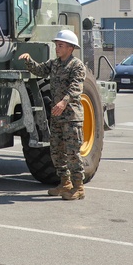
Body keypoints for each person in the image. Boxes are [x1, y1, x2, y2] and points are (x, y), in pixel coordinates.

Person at [18, 29, 87, 200]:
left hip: (71, 117)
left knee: (72, 153)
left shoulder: (77, 65)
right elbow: (40, 70)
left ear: (70, 48)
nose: (57, 48)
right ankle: (65, 183)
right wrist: (29, 61)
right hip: (57, 116)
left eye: (61, 45)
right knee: (56, 151)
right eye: (56, 45)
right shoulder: (54, 63)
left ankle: (78, 187)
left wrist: (63, 102)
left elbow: (76, 87)